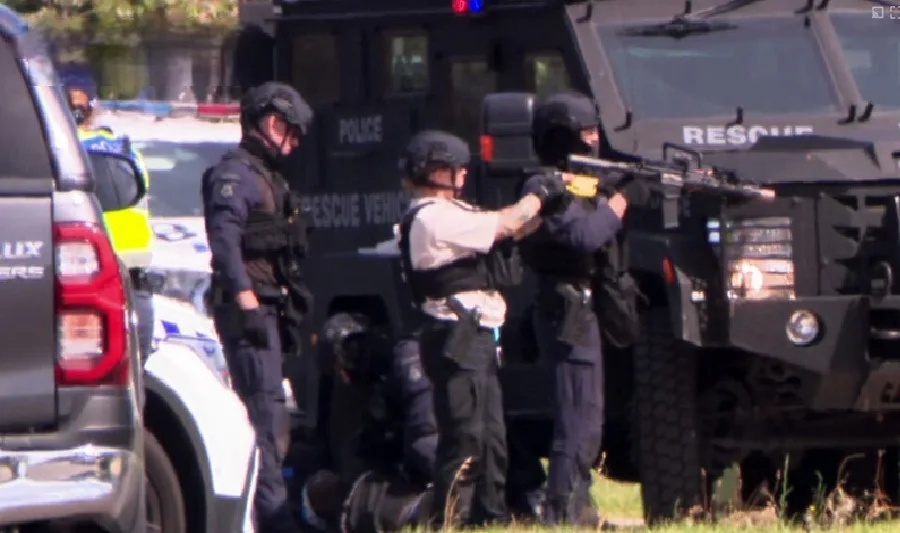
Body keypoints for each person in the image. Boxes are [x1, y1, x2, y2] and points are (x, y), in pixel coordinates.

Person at [396, 130, 567, 528]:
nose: (463, 175)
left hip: (477, 338)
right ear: (434, 171)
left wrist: (553, 204)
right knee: (465, 441)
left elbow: (513, 227)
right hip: (457, 337)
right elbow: (506, 222)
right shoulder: (432, 217)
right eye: (455, 169)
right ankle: (451, 522)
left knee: (492, 441)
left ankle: (490, 520)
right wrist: (539, 192)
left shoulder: (455, 213)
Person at [518, 90, 650, 526]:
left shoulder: (579, 181)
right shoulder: (545, 185)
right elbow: (583, 236)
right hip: (566, 308)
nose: (594, 140)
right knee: (577, 418)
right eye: (586, 133)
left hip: (583, 308)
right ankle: (563, 512)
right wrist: (621, 201)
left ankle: (579, 508)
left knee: (589, 421)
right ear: (563, 136)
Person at [202, 81, 314, 533]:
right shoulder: (236, 176)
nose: (296, 144)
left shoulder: (268, 177)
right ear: (272, 123)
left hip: (271, 309)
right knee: (265, 417)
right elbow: (225, 244)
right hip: (251, 311)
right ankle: (274, 520)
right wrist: (246, 300)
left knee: (273, 415)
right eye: (292, 132)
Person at [299, 315, 439, 532]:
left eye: (342, 367)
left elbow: (425, 435)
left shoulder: (403, 361)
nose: (344, 378)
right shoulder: (372, 385)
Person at [69, 86, 157, 362]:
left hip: (81, 273)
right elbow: (142, 187)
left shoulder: (58, 152)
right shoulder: (122, 148)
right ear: (91, 112)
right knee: (134, 366)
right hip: (132, 274)